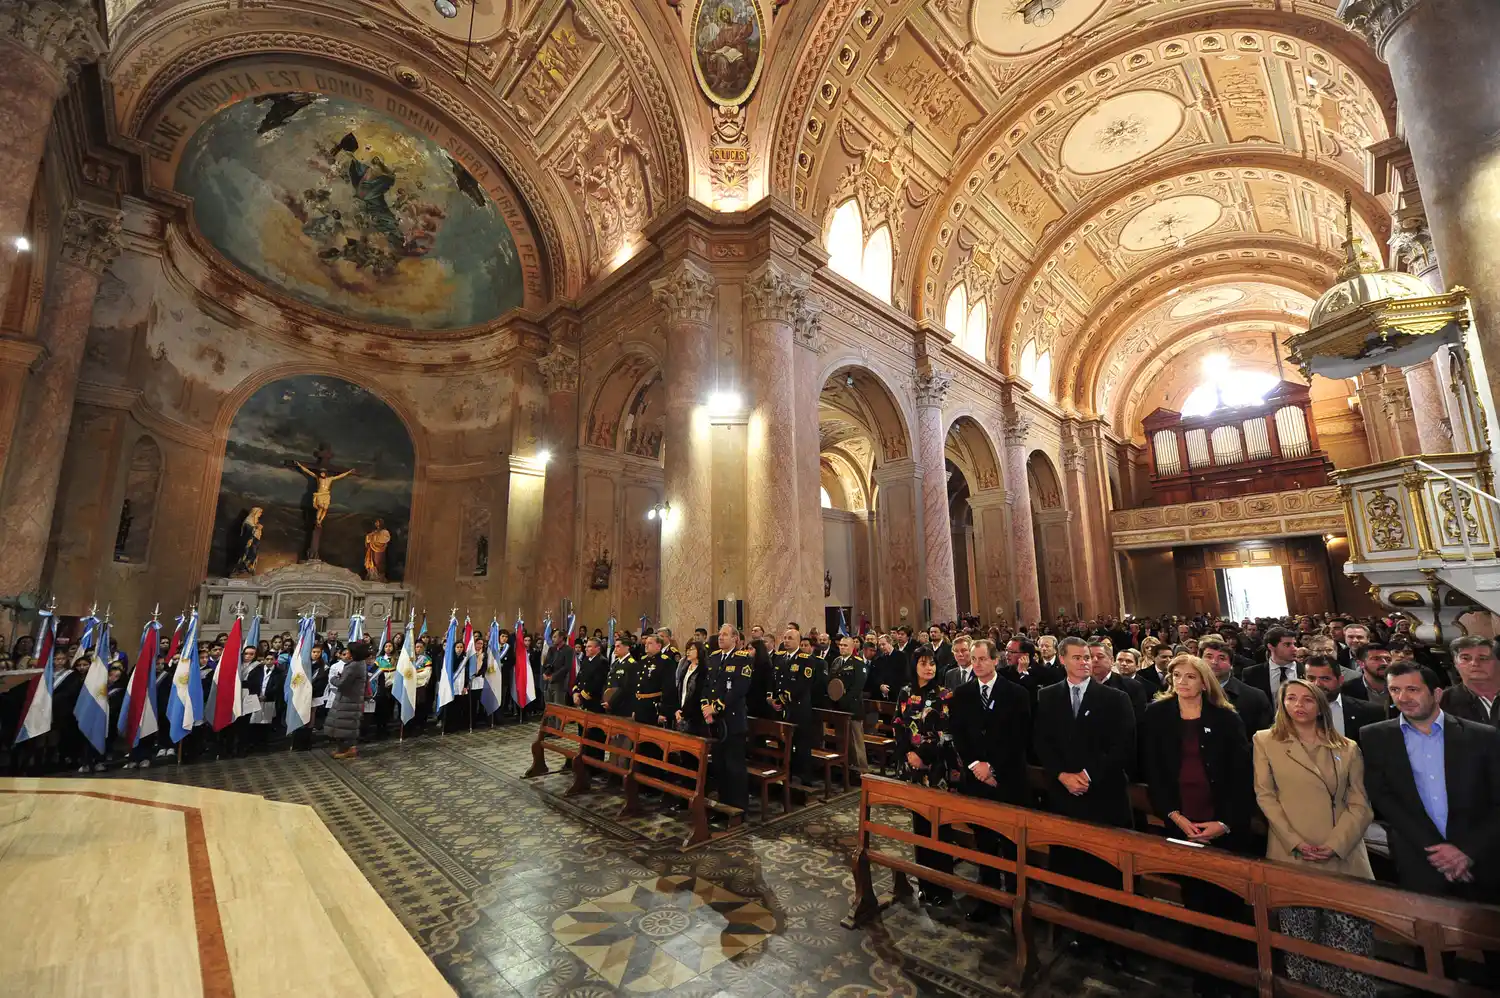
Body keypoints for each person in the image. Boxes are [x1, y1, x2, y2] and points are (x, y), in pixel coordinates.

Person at [1253, 679, 1377, 998]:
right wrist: (1295, 841)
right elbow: (1266, 796)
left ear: (1320, 705)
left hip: (1343, 853)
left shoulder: (1346, 747)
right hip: (1291, 852)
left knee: (1350, 947)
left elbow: (1360, 803)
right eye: (1291, 698)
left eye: (1307, 699)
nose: (1299, 705)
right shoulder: (1266, 740)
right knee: (1299, 946)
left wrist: (1335, 844)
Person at [1141, 654, 1255, 997]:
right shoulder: (1158, 715)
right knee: (1195, 895)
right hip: (1180, 820)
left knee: (1228, 898)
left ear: (1204, 682)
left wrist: (1224, 822)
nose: (1182, 682)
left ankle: (1236, 972)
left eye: (1190, 677)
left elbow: (1241, 777)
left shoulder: (1225, 718)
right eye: (1177, 676)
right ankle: (1203, 971)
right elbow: (1153, 771)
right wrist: (1173, 816)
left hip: (1221, 822)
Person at [1034, 635, 1137, 965]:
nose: (1085, 662)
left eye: (1088, 658)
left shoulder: (1114, 698)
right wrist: (1062, 775)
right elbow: (1041, 742)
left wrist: (1088, 775)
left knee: (1108, 873)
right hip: (1066, 797)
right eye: (1077, 657)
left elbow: (1123, 746)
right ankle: (1082, 932)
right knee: (1074, 870)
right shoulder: (1048, 696)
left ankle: (1118, 942)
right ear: (1062, 659)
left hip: (1103, 796)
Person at [1363, 662, 1500, 908]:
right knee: (1429, 941)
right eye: (1395, 690)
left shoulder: (1483, 736)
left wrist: (1465, 851)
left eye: (1412, 690)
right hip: (1418, 856)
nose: (1402, 698)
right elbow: (1382, 796)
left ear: (1437, 694)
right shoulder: (1374, 736)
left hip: (1479, 856)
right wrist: (1437, 852)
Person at [949, 638, 1031, 922]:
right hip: (976, 780)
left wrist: (993, 768)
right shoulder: (962, 694)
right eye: (974, 659)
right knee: (984, 842)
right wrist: (976, 766)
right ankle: (988, 900)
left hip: (1008, 779)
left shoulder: (1017, 693)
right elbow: (959, 734)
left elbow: (1020, 738)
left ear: (995, 660)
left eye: (983, 659)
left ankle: (1016, 902)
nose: (978, 664)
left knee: (1011, 844)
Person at [893, 646, 956, 906]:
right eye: (923, 663)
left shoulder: (944, 694)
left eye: (932, 663)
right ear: (915, 665)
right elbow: (898, 724)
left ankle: (943, 887)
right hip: (913, 770)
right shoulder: (906, 692)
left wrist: (924, 757)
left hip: (936, 771)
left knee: (939, 828)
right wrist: (908, 753)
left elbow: (946, 733)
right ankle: (924, 883)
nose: (929, 668)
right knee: (920, 826)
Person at [702, 625, 752, 812]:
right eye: (720, 634)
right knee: (719, 765)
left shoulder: (743, 659)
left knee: (734, 767)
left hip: (733, 721)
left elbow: (739, 689)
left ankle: (738, 808)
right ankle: (723, 806)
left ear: (735, 639)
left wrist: (715, 708)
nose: (720, 637)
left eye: (725, 635)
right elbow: (707, 686)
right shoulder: (714, 658)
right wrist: (705, 708)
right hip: (715, 722)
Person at [1302, 655, 1385, 745]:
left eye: (1325, 678)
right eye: (1311, 678)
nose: (1317, 684)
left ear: (1340, 680)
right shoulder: (1290, 712)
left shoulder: (1371, 712)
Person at [1200, 636, 1272, 733]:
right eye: (1209, 657)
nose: (1214, 662)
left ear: (1231, 665)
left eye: (1222, 658)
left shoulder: (1255, 698)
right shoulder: (1185, 693)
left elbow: (1263, 738)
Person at [823, 633, 868, 775]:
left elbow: (858, 686)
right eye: (841, 645)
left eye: (845, 645)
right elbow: (831, 683)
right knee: (841, 739)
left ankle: (862, 771)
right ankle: (846, 768)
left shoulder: (858, 663)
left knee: (856, 741)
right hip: (838, 707)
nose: (842, 647)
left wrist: (844, 700)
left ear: (852, 647)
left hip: (852, 707)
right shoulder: (836, 662)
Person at [1443, 635, 1499, 726]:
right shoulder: (1442, 701)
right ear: (1455, 663)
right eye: (1465, 658)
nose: (1474, 663)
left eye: (1483, 658)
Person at [329, 640, 370, 759]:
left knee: (345, 725)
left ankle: (348, 749)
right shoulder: (359, 663)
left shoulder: (354, 665)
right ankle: (345, 748)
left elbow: (342, 683)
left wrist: (333, 679)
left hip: (349, 699)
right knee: (346, 724)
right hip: (351, 698)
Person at [1243, 626, 1300, 702]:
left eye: (1294, 644)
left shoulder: (1307, 670)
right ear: (1271, 647)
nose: (1294, 648)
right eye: (1287, 644)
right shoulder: (1251, 673)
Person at [1343, 641, 1393, 712]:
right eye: (1376, 659)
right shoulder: (1347, 691)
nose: (1384, 663)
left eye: (1388, 659)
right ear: (1361, 664)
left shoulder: (1402, 687)